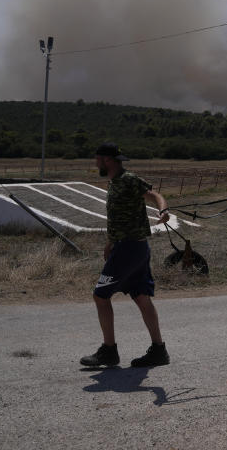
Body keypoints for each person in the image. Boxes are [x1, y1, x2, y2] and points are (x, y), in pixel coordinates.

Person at [80, 142, 171, 368]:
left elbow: (154, 195)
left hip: (130, 249)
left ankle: (109, 351)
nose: (96, 162)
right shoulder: (114, 183)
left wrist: (163, 209)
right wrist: (111, 242)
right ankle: (159, 350)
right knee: (141, 297)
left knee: (101, 297)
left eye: (98, 158)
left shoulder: (128, 179)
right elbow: (119, 217)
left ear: (107, 160)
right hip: (133, 247)